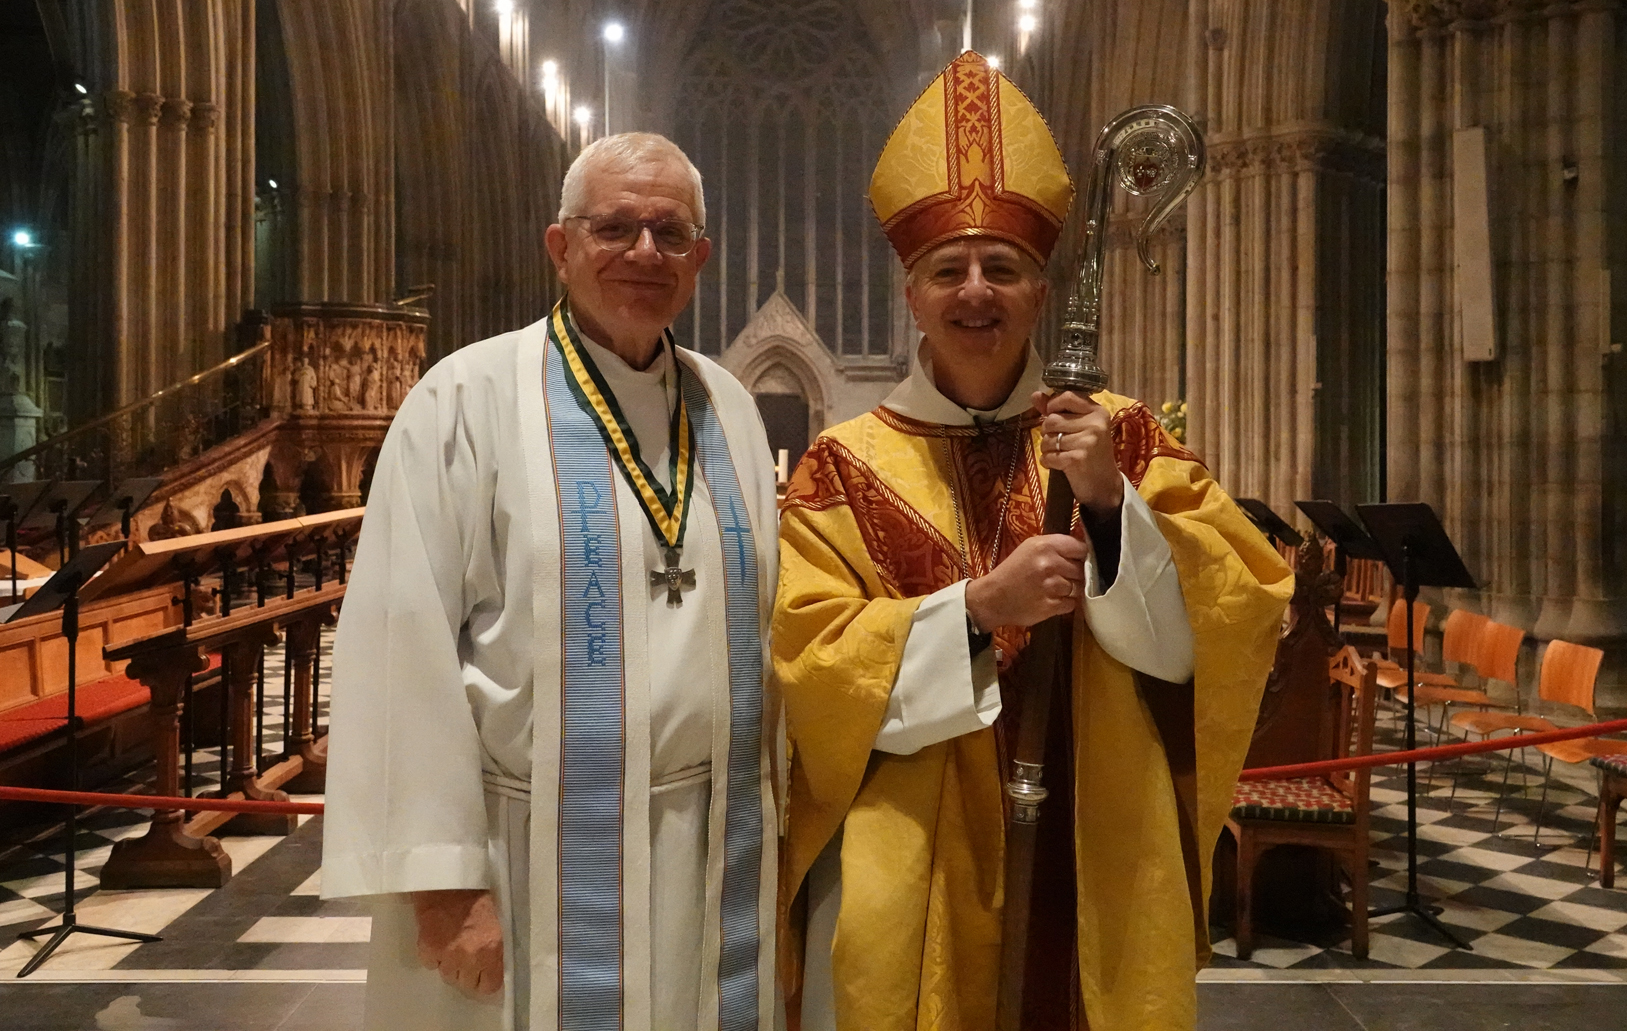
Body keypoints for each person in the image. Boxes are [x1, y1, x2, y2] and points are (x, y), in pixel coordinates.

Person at [774, 52, 1293, 1030]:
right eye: (948, 269)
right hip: (913, 856)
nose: (976, 291)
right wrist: (976, 609)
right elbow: (810, 666)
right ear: (911, 291)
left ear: (1041, 288)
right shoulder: (839, 468)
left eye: (1002, 267)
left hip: (1092, 838)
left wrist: (1108, 504)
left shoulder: (1121, 436)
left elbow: (1233, 610)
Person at [322, 133, 782, 1031]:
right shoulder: (465, 400)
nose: (644, 252)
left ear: (700, 259)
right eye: (615, 227)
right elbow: (399, 646)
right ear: (560, 246)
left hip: (713, 850)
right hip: (527, 859)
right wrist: (445, 887)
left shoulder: (729, 408)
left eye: (670, 232)